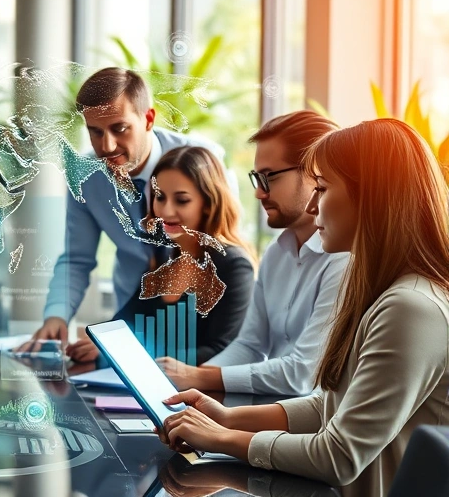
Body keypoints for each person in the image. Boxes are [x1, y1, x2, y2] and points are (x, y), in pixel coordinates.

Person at [156, 118, 449, 492]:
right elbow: (332, 405)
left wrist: (222, 438)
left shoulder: (410, 307)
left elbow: (338, 456)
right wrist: (228, 418)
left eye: (322, 189)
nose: (313, 204)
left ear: (371, 197)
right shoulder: (385, 293)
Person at [30, 67, 234, 355]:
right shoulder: (85, 177)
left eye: (119, 128)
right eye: (95, 131)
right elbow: (77, 259)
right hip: (130, 317)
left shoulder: (202, 161)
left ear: (148, 119)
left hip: (197, 326)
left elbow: (223, 250)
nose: (107, 146)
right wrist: (56, 316)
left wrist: (129, 342)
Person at [159, 110, 349, 395]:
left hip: (310, 417)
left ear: (315, 172)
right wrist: (190, 380)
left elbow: (302, 374)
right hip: (269, 407)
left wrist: (200, 378)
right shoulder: (276, 253)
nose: (259, 193)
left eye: (269, 177)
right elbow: (249, 345)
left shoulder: (344, 258)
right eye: (256, 178)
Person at [67, 146, 255, 365]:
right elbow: (123, 325)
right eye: (160, 197)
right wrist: (102, 343)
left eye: (181, 200)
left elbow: (221, 351)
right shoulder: (166, 258)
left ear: (208, 203)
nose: (165, 211)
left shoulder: (234, 266)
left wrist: (123, 353)